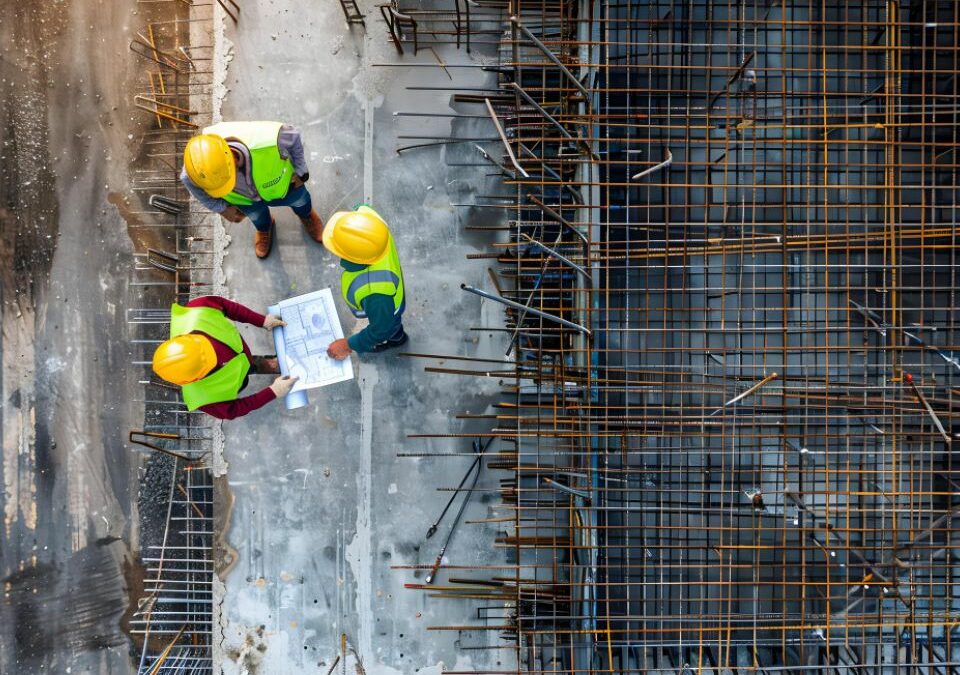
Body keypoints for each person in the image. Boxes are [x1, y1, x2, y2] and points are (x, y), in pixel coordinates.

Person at [180, 121, 324, 259]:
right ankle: (264, 227)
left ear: (233, 158)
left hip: (283, 185)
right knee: (256, 216)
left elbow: (293, 136)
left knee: (300, 201)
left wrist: (301, 171)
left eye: (228, 180)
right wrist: (221, 208)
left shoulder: (269, 141)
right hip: (243, 199)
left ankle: (307, 216)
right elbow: (188, 181)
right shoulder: (195, 169)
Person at [151, 296, 299, 419]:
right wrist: (273, 392)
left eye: (208, 347)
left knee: (249, 362)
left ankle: (263, 364)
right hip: (236, 377)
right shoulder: (204, 399)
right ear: (193, 380)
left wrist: (261, 320)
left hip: (240, 353)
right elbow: (234, 409)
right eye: (212, 361)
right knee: (246, 369)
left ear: (186, 338)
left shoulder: (198, 310)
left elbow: (228, 307)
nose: (216, 353)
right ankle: (255, 367)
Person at [322, 206, 408, 360]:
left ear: (354, 258)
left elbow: (382, 329)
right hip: (389, 296)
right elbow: (363, 209)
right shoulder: (375, 227)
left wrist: (349, 344)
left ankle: (397, 340)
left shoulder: (375, 294)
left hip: (388, 312)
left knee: (392, 329)